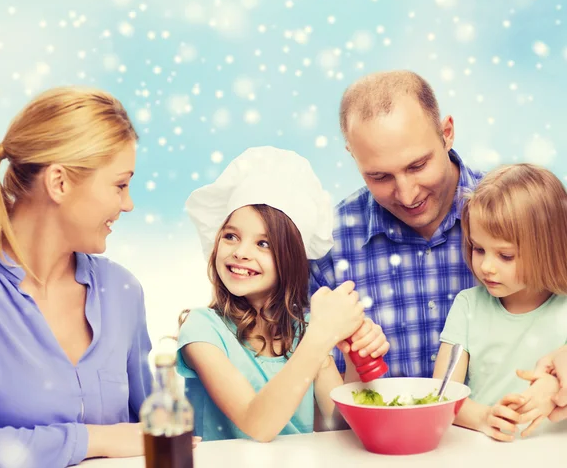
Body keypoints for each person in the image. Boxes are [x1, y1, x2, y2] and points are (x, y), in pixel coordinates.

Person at [0, 87, 152, 467]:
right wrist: (92, 439)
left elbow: (149, 430)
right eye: (120, 185)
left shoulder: (122, 291)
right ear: (59, 183)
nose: (128, 204)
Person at [177, 147, 389, 442]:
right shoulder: (202, 329)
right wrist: (320, 336)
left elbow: (339, 429)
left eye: (263, 243)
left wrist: (355, 357)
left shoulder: (304, 330)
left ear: (291, 258)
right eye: (230, 236)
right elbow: (257, 425)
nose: (240, 252)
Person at [310, 70, 483, 377]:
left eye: (418, 165)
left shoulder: (524, 214)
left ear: (447, 133)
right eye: (379, 176)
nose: (407, 195)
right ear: (352, 155)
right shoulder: (325, 245)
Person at [433, 164, 567, 441]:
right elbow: (442, 393)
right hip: (486, 451)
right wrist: (483, 417)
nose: (487, 267)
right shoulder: (468, 306)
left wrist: (554, 389)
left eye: (505, 256)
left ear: (549, 249)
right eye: (478, 249)